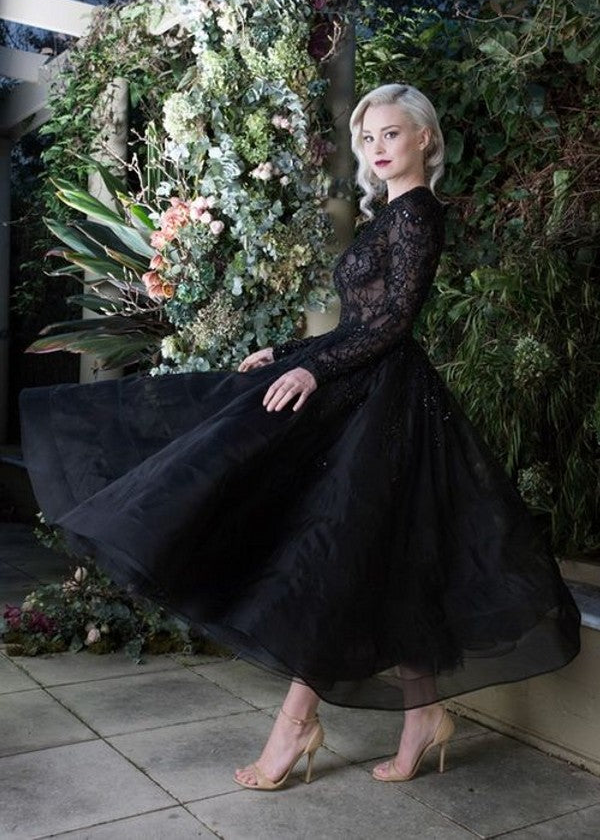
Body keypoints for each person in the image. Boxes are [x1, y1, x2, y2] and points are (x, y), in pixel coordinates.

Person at [19, 84, 580, 793]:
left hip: (389, 403)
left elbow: (392, 325)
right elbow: (360, 323)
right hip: (369, 389)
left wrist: (312, 369)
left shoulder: (417, 214)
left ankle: (296, 725)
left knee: (336, 554)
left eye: (392, 134)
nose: (377, 148)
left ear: (425, 139)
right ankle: (424, 715)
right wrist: (288, 352)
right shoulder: (390, 215)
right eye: (368, 137)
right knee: (384, 553)